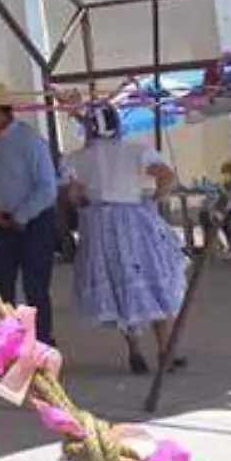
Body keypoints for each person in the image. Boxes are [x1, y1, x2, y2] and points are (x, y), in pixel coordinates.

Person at [61, 106, 187, 375]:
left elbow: (73, 196)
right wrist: (154, 199)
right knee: (154, 282)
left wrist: (87, 201)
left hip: (99, 225)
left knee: (120, 288)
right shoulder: (136, 150)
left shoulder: (76, 159)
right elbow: (167, 176)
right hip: (134, 220)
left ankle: (135, 350)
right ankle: (165, 349)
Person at [0, 83, 60, 346]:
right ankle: (6, 341)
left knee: (35, 286)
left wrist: (21, 216)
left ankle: (42, 340)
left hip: (35, 223)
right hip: (5, 222)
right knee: (2, 287)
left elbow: (47, 188)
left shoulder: (29, 141)